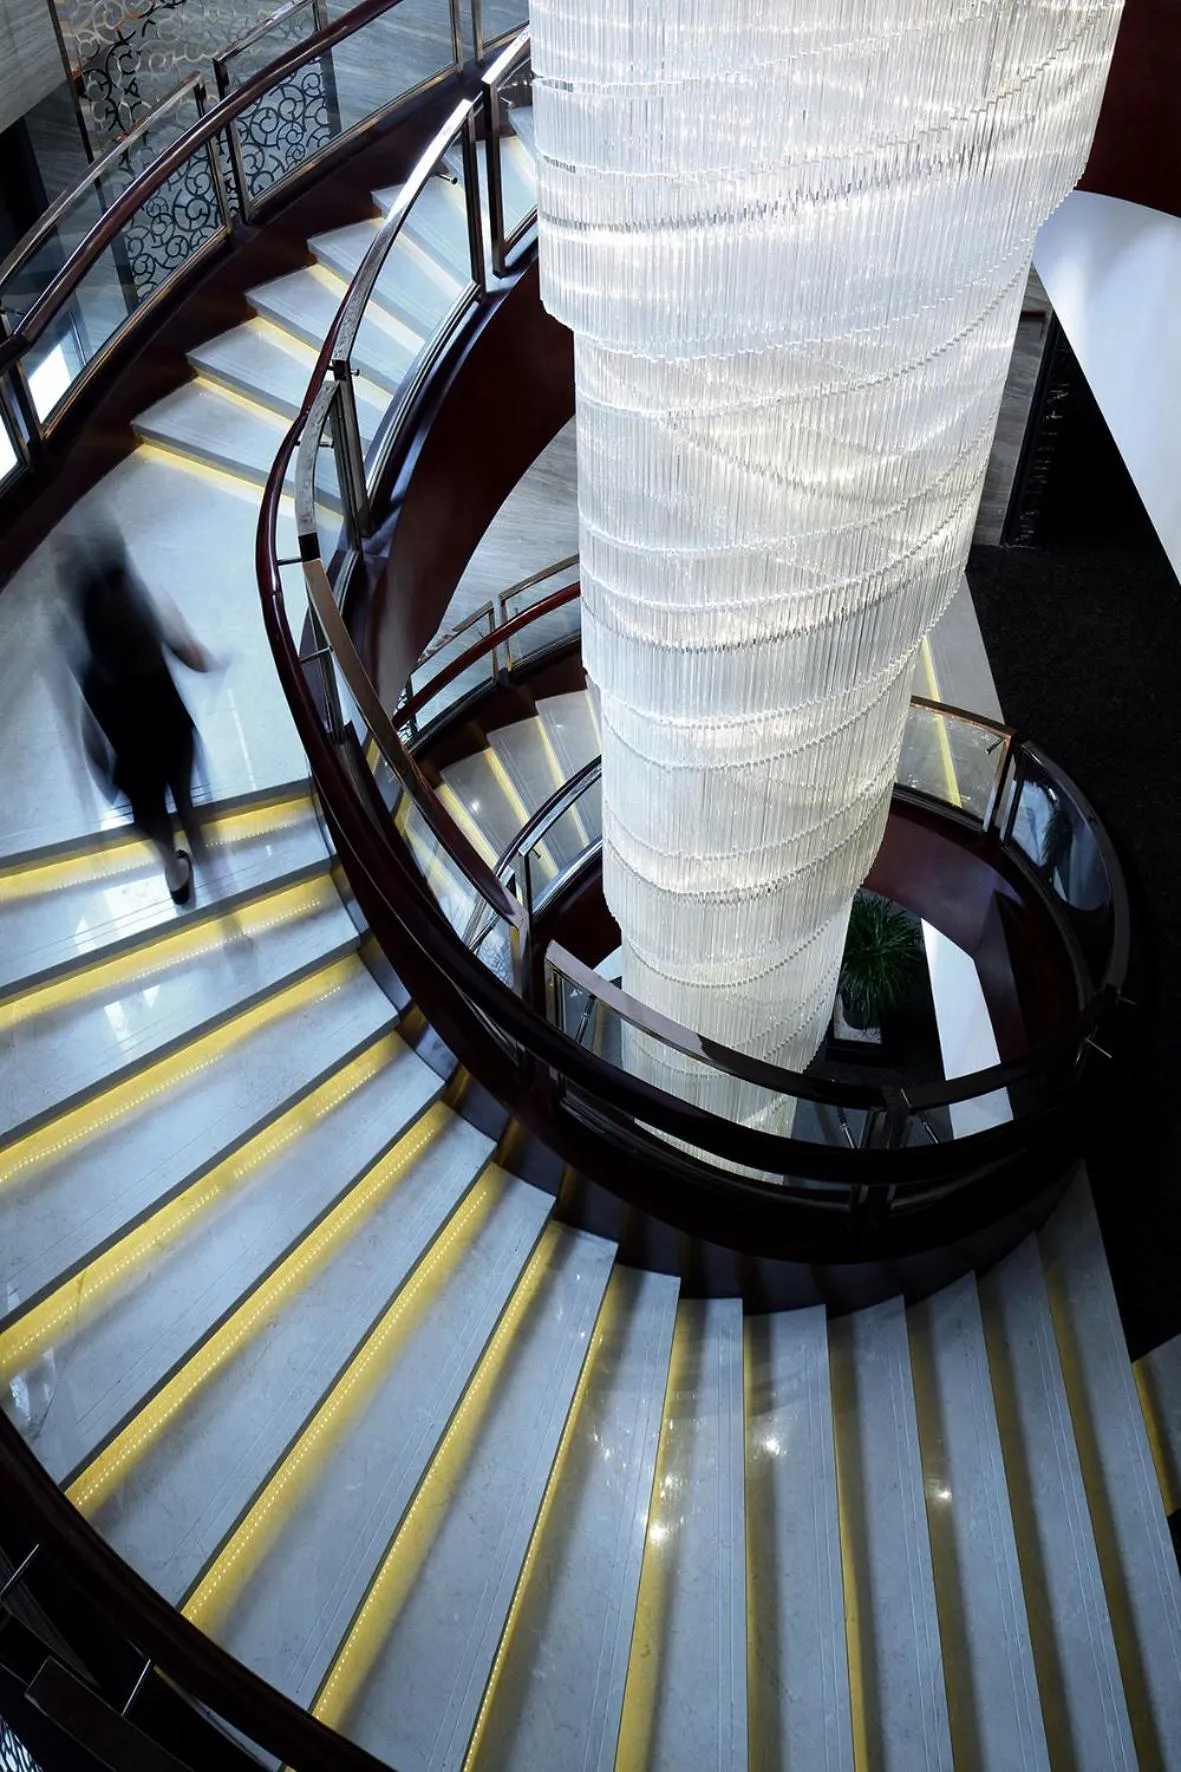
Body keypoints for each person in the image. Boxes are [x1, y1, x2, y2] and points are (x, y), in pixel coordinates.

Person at [61, 525, 215, 905]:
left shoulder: (91, 672)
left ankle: (176, 875)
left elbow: (91, 738)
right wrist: (185, 632)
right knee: (185, 799)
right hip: (174, 737)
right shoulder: (147, 634)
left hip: (134, 766)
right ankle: (205, 855)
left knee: (155, 822)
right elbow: (194, 659)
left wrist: (101, 780)